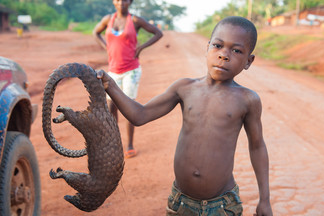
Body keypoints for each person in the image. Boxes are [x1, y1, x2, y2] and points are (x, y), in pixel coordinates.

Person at [97, 16, 272, 216]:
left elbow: (257, 147)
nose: (224, 55)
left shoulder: (247, 100)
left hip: (222, 205)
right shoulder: (185, 88)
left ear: (249, 61)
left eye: (236, 50)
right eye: (218, 46)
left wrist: (264, 200)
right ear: (208, 48)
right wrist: (109, 85)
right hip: (181, 202)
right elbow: (140, 115)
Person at [93, 0, 163, 158]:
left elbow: (158, 33)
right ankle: (113, 143)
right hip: (113, 71)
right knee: (111, 109)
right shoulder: (107, 20)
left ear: (130, 2)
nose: (121, 3)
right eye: (118, 0)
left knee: (128, 107)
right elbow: (95, 32)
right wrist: (106, 47)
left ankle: (130, 144)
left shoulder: (135, 20)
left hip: (131, 70)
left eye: (125, 0)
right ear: (114, 1)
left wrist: (141, 47)